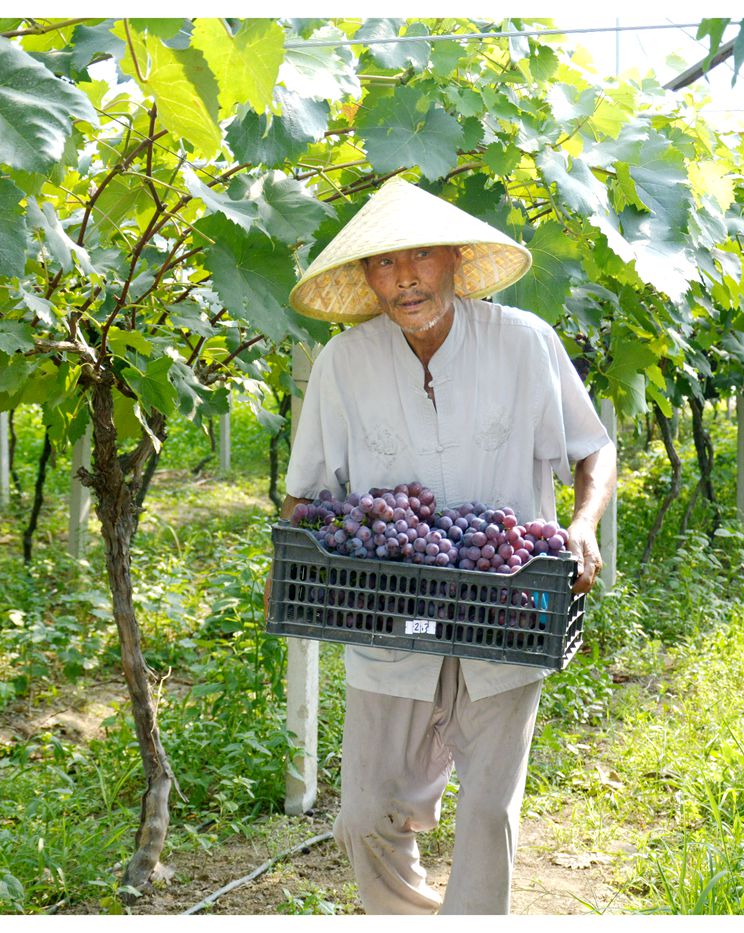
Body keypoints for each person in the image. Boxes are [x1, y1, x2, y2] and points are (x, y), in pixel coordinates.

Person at [269, 177, 617, 914]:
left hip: (508, 610)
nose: (405, 278)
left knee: (488, 818)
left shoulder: (525, 344)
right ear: (368, 278)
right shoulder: (342, 365)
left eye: (421, 256)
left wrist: (582, 527)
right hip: (390, 620)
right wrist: (291, 559)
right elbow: (304, 497)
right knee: (363, 816)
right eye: (386, 263)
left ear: (455, 259)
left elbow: (595, 450)